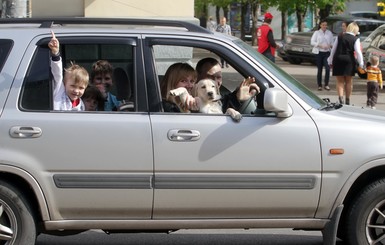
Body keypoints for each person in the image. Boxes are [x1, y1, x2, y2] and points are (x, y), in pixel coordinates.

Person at [195, 57, 260, 112]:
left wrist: (238, 99)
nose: (215, 82)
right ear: (197, 77)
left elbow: (224, 105)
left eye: (218, 77)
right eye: (209, 77)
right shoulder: (191, 101)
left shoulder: (221, 96)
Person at [48, 31, 89, 111]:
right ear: (64, 83)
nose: (76, 91)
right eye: (73, 86)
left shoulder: (81, 105)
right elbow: (57, 72)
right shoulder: (60, 91)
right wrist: (55, 53)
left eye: (81, 88)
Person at [328, 22, 364, 105]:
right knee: (349, 81)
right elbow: (358, 52)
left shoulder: (340, 36)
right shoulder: (355, 39)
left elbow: (333, 49)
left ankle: (341, 100)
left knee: (340, 81)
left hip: (338, 59)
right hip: (349, 60)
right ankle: (347, 100)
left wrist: (330, 60)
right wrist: (361, 63)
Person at [310, 19, 334, 91]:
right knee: (319, 69)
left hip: (327, 53)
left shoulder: (329, 33)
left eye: (326, 25)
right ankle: (319, 85)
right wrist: (319, 45)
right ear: (320, 25)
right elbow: (312, 42)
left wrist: (330, 45)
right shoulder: (317, 33)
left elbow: (332, 42)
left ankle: (326, 84)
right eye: (323, 25)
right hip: (319, 53)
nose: (324, 26)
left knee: (327, 68)